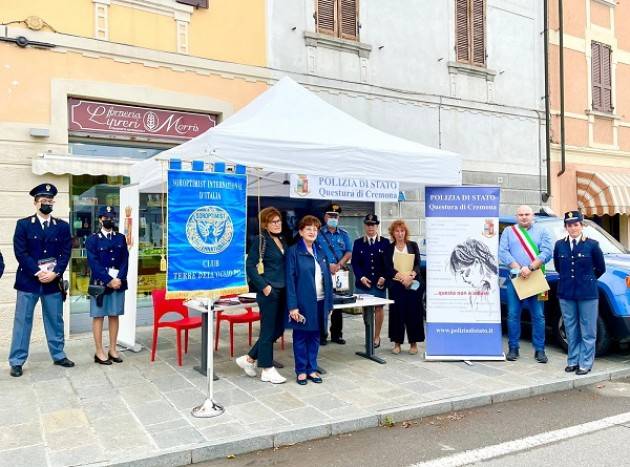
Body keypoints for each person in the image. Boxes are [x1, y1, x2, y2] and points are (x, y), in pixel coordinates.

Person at [9, 183, 74, 377]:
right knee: (23, 321)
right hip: (28, 281)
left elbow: (65, 252)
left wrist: (56, 273)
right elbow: (21, 252)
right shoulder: (23, 224)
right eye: (44, 201)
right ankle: (17, 360)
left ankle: (58, 354)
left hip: (53, 281)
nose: (48, 204)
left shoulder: (62, 226)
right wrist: (38, 272)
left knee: (55, 319)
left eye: (50, 201)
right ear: (35, 203)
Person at [237, 207, 288, 384]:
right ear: (265, 224)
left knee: (279, 329)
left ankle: (249, 359)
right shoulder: (261, 240)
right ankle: (267, 369)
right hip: (269, 291)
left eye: (279, 220)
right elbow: (250, 266)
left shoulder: (282, 239)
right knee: (267, 331)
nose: (277, 224)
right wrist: (264, 287)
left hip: (283, 291)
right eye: (273, 221)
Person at [498, 205, 553, 363]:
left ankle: (540, 350)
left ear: (532, 216)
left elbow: (547, 252)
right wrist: (518, 268)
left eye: (527, 214)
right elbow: (503, 252)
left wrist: (530, 267)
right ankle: (513, 348)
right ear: (517, 216)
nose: (524, 217)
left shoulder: (542, 231)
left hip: (537, 278)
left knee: (539, 316)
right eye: (521, 214)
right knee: (513, 314)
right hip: (515, 279)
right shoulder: (509, 231)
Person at [553, 211, 606, 375]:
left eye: (576, 224)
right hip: (566, 293)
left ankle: (585, 363)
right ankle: (573, 361)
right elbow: (558, 267)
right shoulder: (559, 245)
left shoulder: (592, 245)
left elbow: (600, 268)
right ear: (566, 227)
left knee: (588, 330)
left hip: (587, 294)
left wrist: (586, 281)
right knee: (570, 329)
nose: (573, 228)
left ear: (581, 226)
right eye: (569, 225)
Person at [286, 215, 334, 385]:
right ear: (300, 231)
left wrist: (329, 302)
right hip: (302, 303)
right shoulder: (293, 252)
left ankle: (312, 369)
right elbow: (290, 281)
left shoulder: (320, 251)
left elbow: (327, 277)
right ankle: (301, 370)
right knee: (300, 336)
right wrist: (293, 307)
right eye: (308, 229)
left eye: (315, 229)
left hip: (320, 301)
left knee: (315, 336)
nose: (312, 232)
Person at [86, 205, 129, 365]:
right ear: (100, 219)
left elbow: (125, 260)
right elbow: (93, 263)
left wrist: (119, 279)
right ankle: (99, 351)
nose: (108, 220)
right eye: (105, 217)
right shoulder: (92, 239)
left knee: (114, 315)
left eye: (111, 217)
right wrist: (108, 280)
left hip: (118, 283)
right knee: (98, 316)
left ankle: (112, 349)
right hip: (100, 284)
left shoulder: (120, 238)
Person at [384, 220, 424, 355]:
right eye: (397, 231)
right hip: (396, 285)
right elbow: (388, 267)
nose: (400, 234)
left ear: (405, 232)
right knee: (397, 313)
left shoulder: (413, 245)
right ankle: (397, 343)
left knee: (414, 313)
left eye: (402, 231)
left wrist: (410, 276)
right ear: (393, 233)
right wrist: (401, 277)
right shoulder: (389, 248)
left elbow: (418, 263)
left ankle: (414, 343)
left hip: (412, 284)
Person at [316, 203, 352, 345]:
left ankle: (337, 335)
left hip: (339, 273)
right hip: (323, 273)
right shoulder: (318, 233)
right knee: (323, 304)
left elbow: (348, 252)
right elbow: (315, 252)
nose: (333, 218)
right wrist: (327, 265)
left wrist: (339, 265)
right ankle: (322, 335)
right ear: (325, 217)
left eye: (336, 216)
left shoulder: (344, 234)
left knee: (339, 305)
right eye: (331, 215)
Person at [352, 214, 388, 348]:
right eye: (368, 224)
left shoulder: (385, 243)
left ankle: (376, 336)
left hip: (379, 283)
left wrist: (384, 277)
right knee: (366, 310)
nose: (370, 227)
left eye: (373, 224)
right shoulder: (358, 243)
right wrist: (361, 277)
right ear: (365, 226)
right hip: (363, 284)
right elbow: (355, 264)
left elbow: (388, 263)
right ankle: (368, 335)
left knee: (379, 308)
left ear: (377, 226)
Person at [449, 238, 498, 309]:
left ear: (477, 263)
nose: (464, 278)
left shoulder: (494, 287)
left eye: (463, 272)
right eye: (460, 273)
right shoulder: (475, 295)